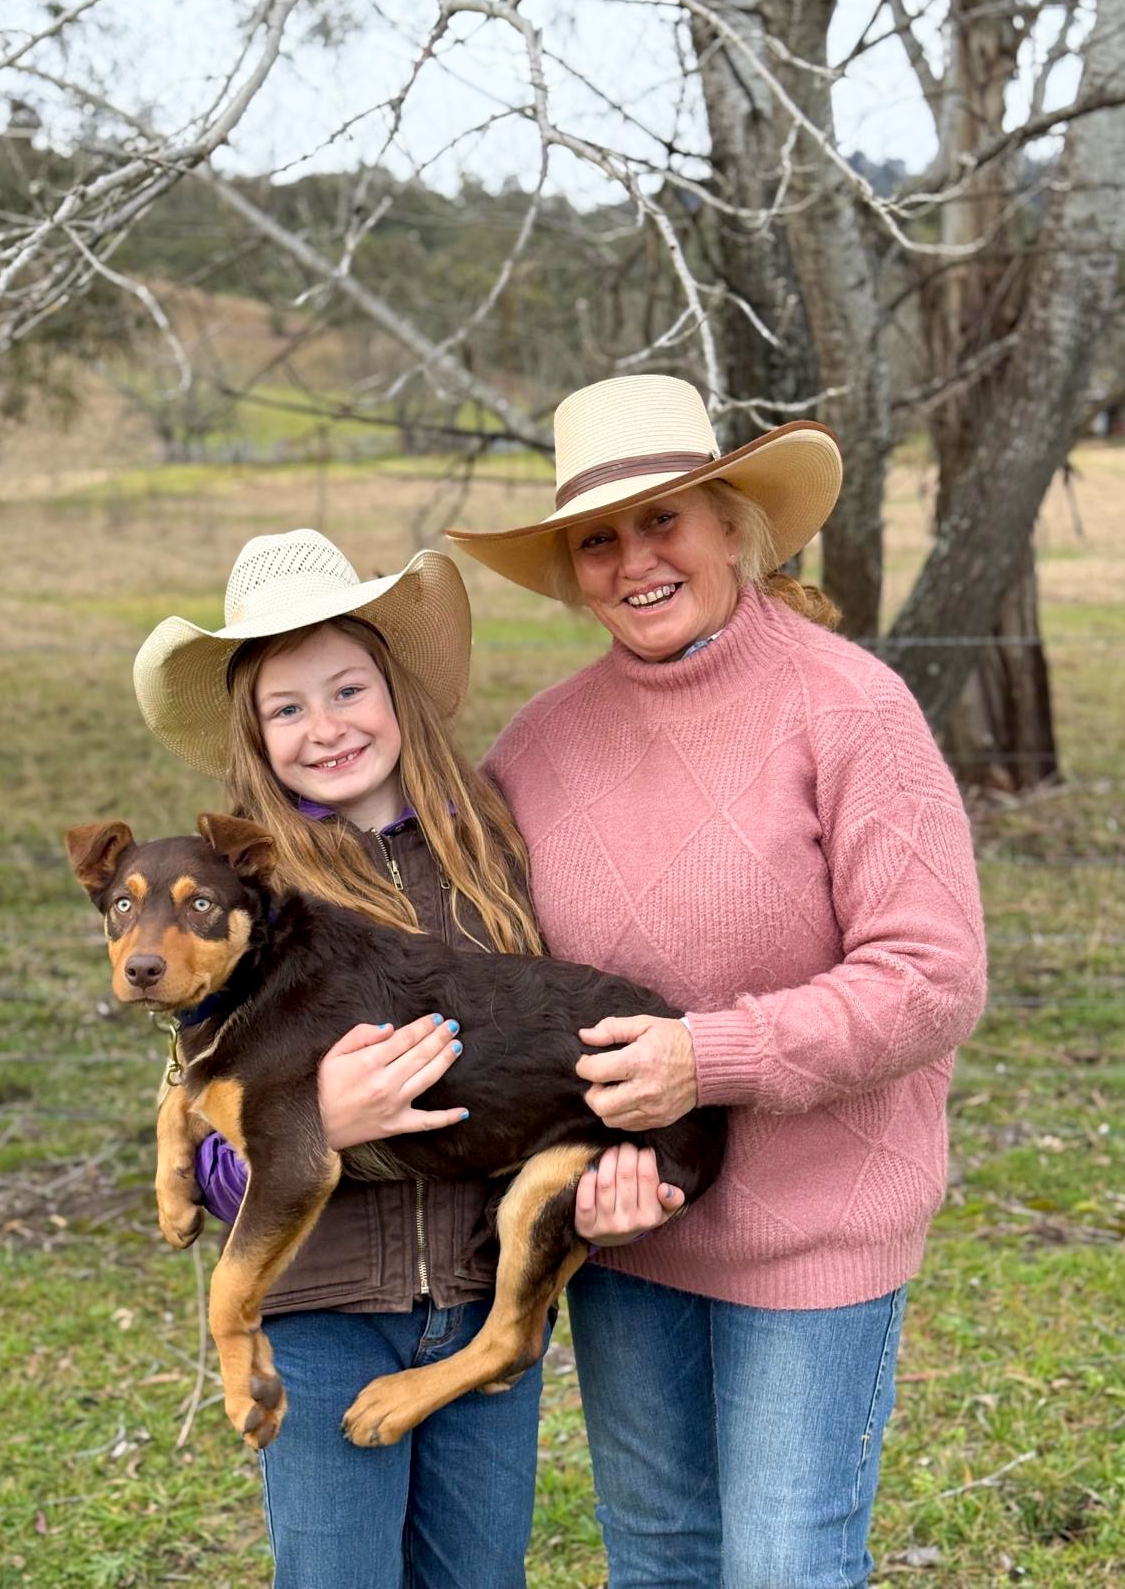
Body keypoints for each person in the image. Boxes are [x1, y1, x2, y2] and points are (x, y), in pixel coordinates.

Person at [445, 374, 988, 1589]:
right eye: (598, 537)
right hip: (626, 1226)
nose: (634, 558)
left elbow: (933, 976)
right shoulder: (536, 748)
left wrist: (708, 1056)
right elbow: (495, 981)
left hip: (816, 1226)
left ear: (733, 525)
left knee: (785, 1564)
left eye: (664, 520)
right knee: (660, 1559)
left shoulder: (851, 710)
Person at [131, 529, 572, 1589]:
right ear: (254, 734)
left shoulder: (492, 849)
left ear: (396, 690)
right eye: (287, 708)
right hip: (321, 1311)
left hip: (476, 1289)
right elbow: (210, 1125)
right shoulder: (252, 899)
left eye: (346, 690)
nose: (324, 728)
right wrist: (310, 1124)